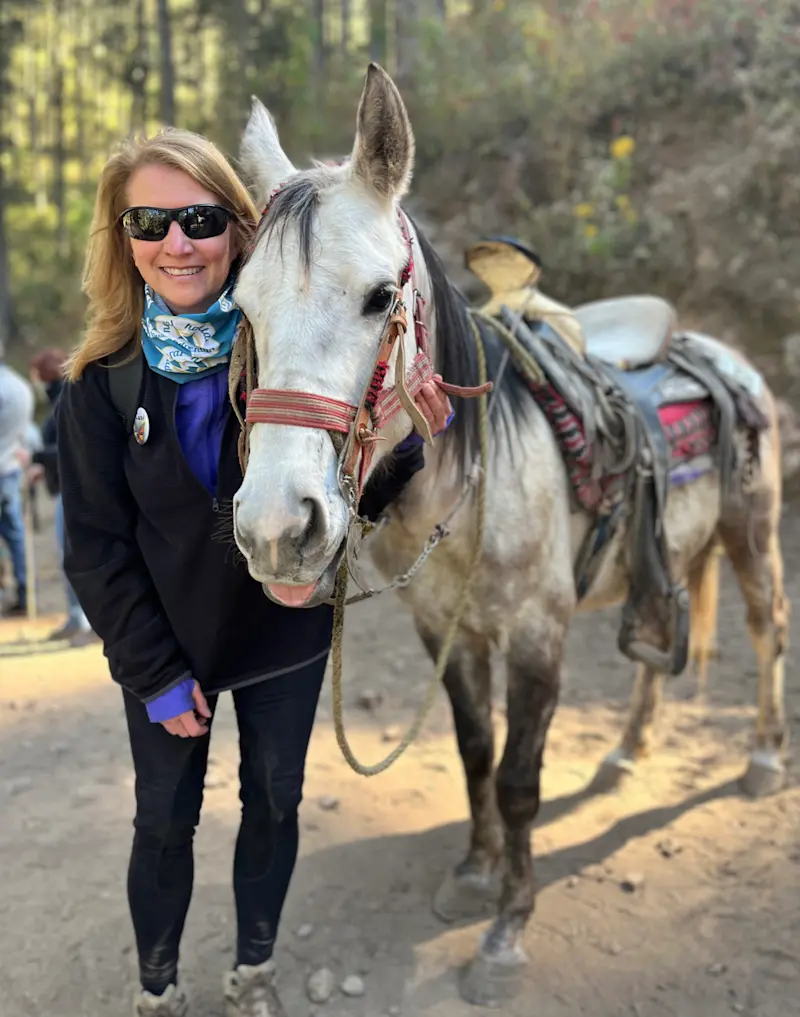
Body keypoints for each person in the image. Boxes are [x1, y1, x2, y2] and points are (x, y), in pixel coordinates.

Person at [57, 127, 452, 1017]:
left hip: (285, 628)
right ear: (123, 240)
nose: (177, 242)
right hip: (167, 647)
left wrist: (400, 449)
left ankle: (255, 970)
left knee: (274, 799)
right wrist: (153, 673)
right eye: (149, 222)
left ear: (239, 226)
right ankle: (158, 988)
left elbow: (357, 441)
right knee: (163, 820)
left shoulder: (288, 334)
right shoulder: (99, 385)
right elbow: (92, 545)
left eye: (198, 216)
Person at [29, 347, 97, 645]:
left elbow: (69, 448)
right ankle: (76, 618)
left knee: (75, 555)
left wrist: (34, 456)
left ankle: (85, 621)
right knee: (68, 555)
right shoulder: (59, 397)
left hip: (73, 492)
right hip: (63, 488)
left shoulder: (65, 398)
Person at [0, 341, 35, 617]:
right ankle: (26, 594)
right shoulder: (20, 386)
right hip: (11, 468)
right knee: (16, 536)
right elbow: (27, 433)